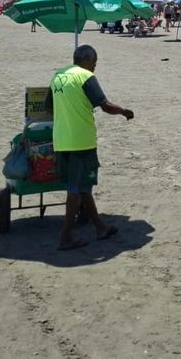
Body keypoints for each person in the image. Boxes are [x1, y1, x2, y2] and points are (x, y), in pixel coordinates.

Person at [47, 44, 133, 250]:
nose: (95, 66)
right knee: (75, 190)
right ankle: (66, 236)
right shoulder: (85, 76)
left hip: (61, 140)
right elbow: (105, 105)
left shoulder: (58, 75)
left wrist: (69, 112)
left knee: (83, 186)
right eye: (94, 62)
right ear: (85, 60)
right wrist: (124, 111)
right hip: (81, 141)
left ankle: (100, 227)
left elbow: (49, 107)